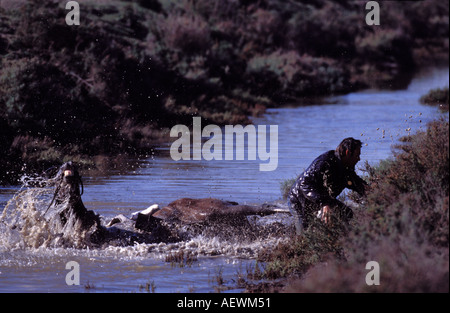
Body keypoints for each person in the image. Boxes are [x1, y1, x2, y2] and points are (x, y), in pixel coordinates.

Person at [288, 138, 367, 234]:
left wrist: (373, 193)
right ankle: (296, 242)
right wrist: (324, 203)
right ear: (347, 153)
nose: (359, 159)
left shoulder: (346, 168)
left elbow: (357, 184)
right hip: (298, 199)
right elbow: (305, 184)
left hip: (321, 199)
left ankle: (343, 239)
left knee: (347, 214)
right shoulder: (325, 162)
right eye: (357, 155)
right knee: (304, 232)